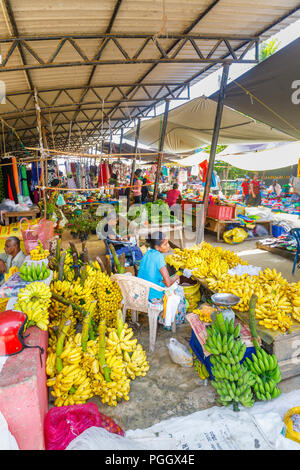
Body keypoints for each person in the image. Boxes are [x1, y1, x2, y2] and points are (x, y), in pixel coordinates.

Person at [138, 231, 187, 329]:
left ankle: (162, 317)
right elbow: (168, 283)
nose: (168, 246)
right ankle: (172, 321)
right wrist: (177, 275)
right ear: (157, 247)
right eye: (165, 244)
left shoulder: (147, 253)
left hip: (141, 292)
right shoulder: (159, 257)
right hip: (153, 297)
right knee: (179, 291)